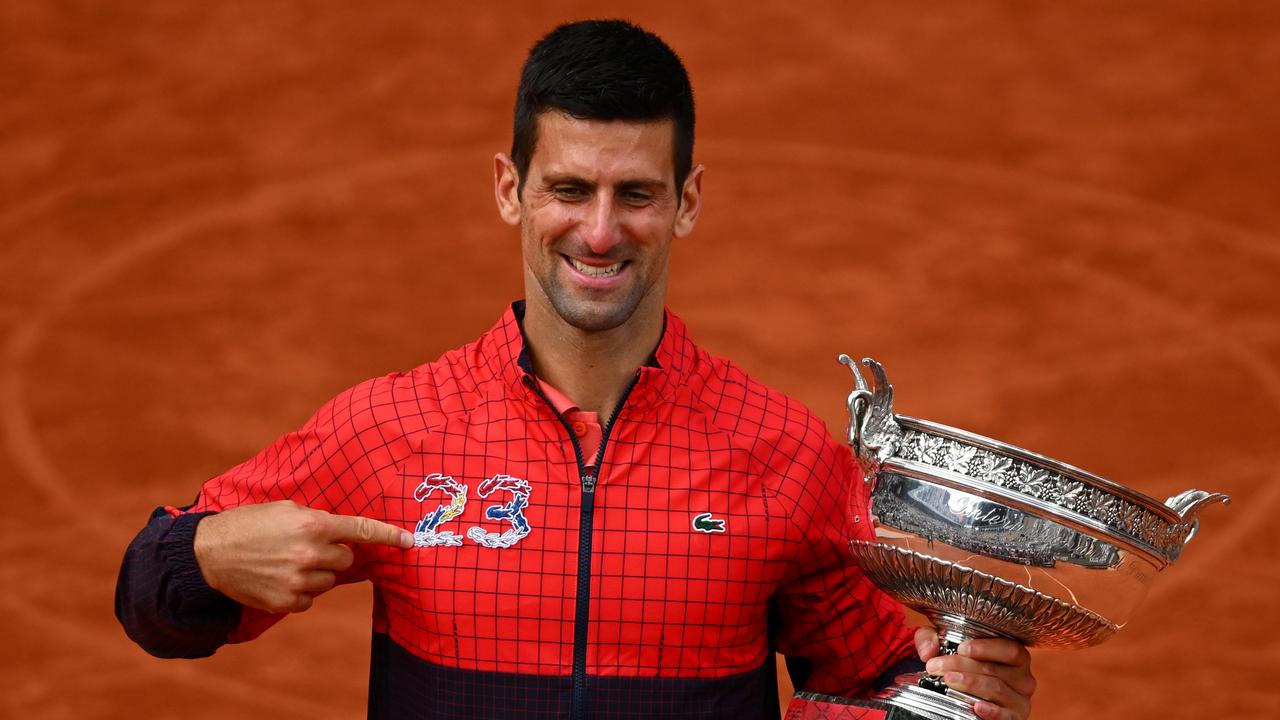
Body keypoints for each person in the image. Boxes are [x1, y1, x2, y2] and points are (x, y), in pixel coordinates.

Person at [116, 19, 1035, 720]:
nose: (600, 232)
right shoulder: (392, 430)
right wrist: (201, 555)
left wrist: (959, 692)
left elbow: (880, 676)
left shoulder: (782, 454)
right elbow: (150, 607)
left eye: (635, 193)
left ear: (687, 201)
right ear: (512, 189)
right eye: (568, 189)